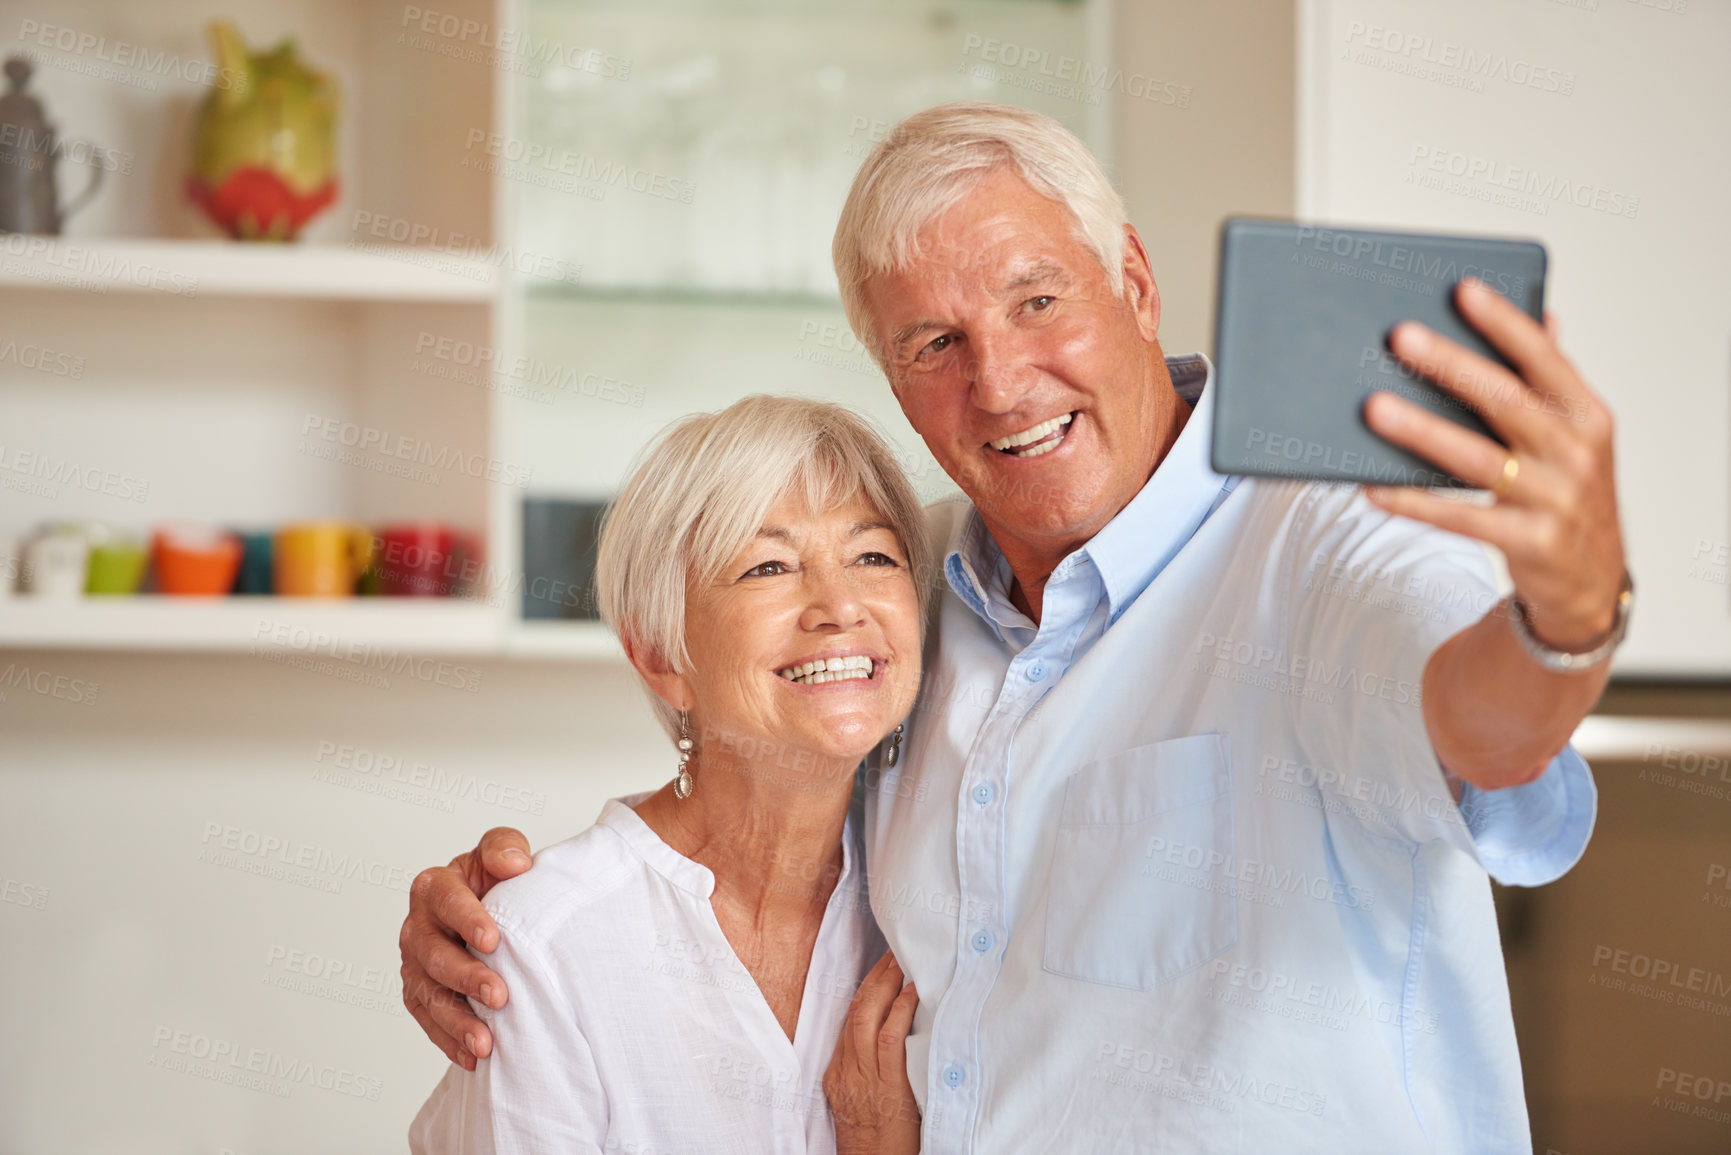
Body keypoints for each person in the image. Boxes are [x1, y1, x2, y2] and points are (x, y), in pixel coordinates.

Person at [401, 103, 1629, 1152]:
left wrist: (1565, 620)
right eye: (935, 344)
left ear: (1136, 285)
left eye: (1038, 300)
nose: (998, 381)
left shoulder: (1322, 540)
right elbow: (757, 700)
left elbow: (1479, 724)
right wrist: (535, 916)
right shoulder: (918, 579)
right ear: (892, 379)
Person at [408, 396, 928, 1153]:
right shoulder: (545, 942)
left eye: (873, 555)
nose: (840, 603)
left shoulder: (930, 906)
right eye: (768, 565)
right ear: (659, 655)